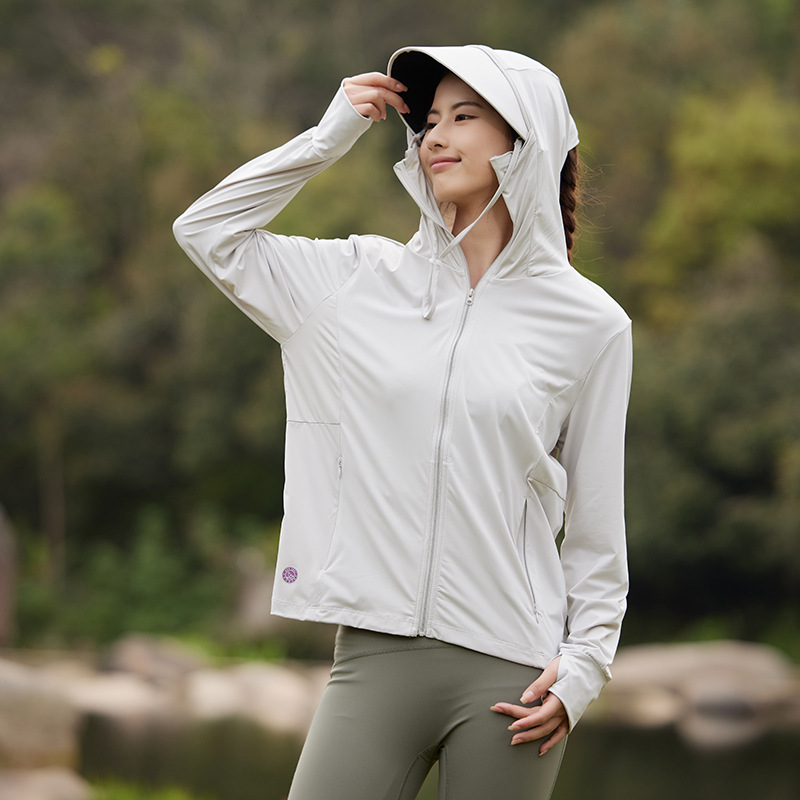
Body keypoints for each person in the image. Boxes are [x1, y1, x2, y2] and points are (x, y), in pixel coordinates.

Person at [174, 44, 632, 800]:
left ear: (527, 139)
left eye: (464, 116)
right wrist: (327, 138)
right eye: (428, 122)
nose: (435, 136)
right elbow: (207, 231)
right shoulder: (354, 281)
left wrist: (584, 667)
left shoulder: (591, 324)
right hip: (375, 656)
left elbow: (596, 522)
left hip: (515, 673)